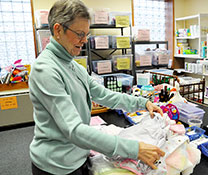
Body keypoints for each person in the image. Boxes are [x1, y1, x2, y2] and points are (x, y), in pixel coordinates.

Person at [29, 0, 165, 174]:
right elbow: (74, 129)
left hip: (79, 155)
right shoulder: (45, 70)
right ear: (58, 30)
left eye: (87, 34)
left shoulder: (73, 65)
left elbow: (104, 95)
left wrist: (142, 103)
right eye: (79, 34)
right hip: (57, 165)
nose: (85, 41)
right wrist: (134, 149)